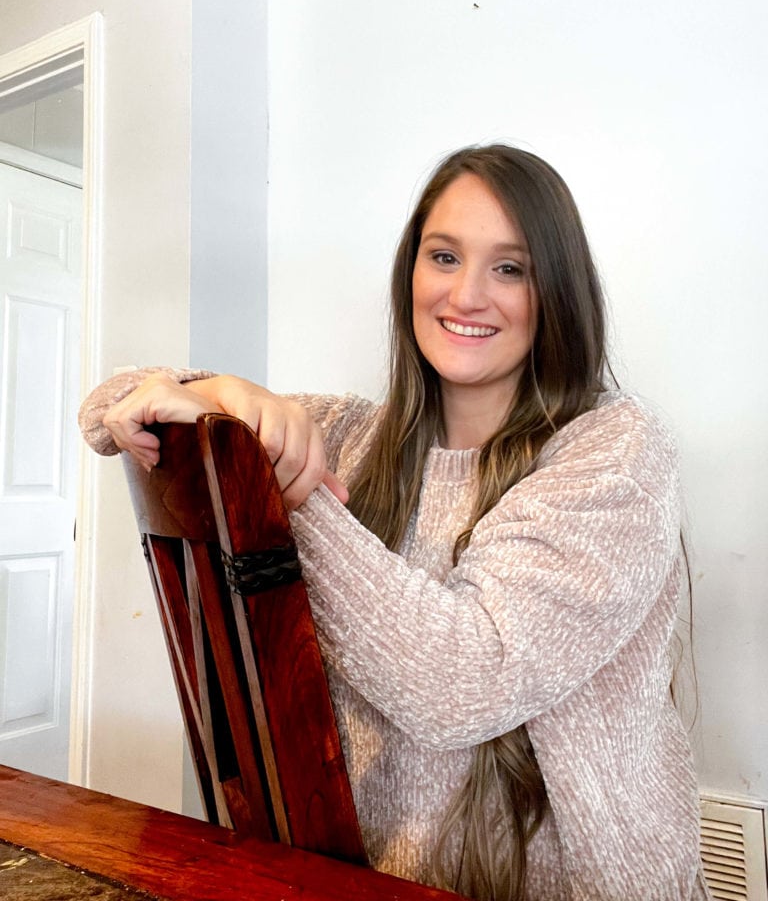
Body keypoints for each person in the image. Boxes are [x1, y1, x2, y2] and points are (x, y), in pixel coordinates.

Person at [79, 145, 711, 901]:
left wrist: (284, 480)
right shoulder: (354, 435)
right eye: (444, 256)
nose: (467, 294)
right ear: (411, 271)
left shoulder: (616, 452)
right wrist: (225, 392)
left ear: (558, 292)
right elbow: (106, 410)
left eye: (510, 268)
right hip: (361, 880)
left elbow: (463, 683)